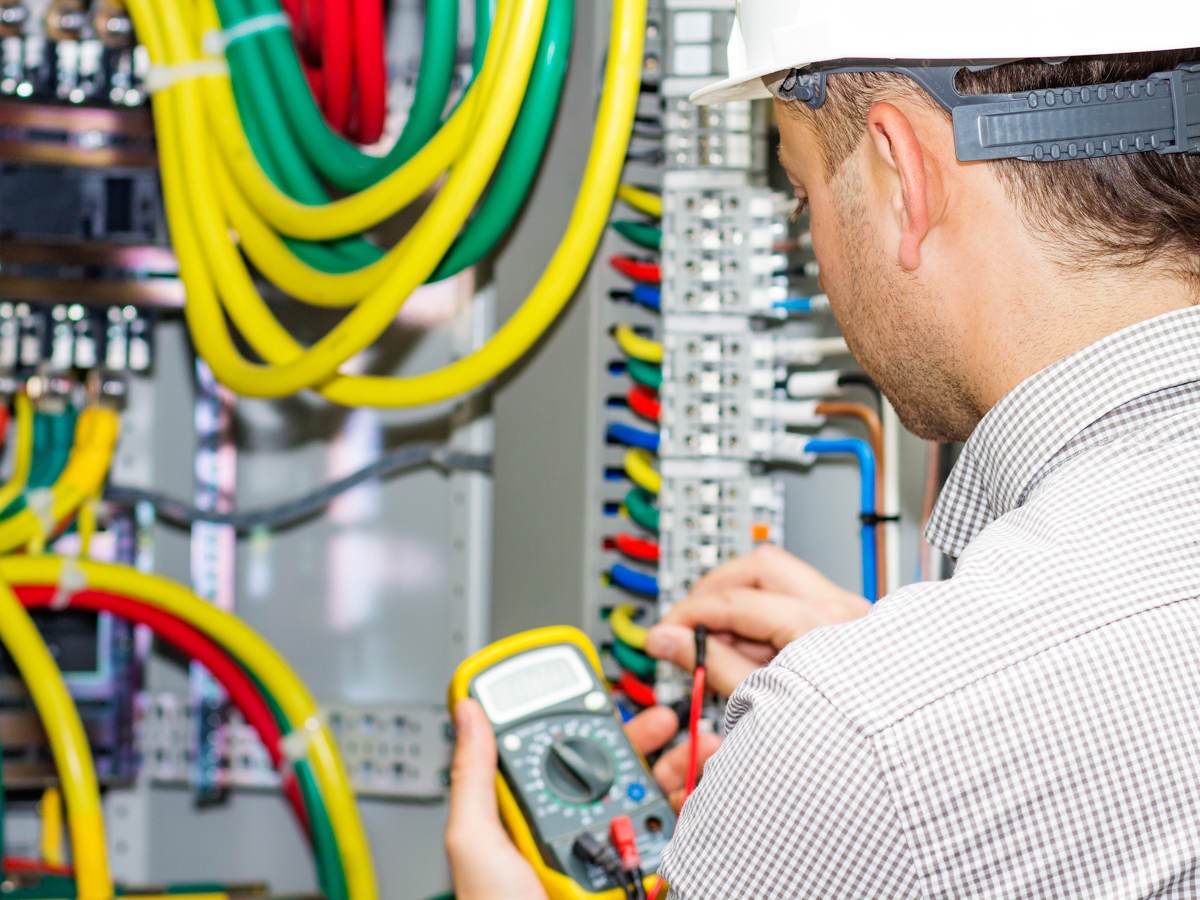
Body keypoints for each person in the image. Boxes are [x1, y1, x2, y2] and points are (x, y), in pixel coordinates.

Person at [447, 1, 1200, 895]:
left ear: (900, 170)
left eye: (801, 194)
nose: (811, 241)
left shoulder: (859, 743)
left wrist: (864, 721)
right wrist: (903, 677)